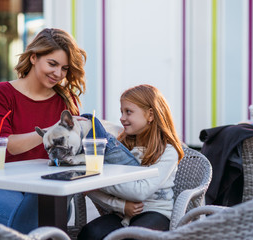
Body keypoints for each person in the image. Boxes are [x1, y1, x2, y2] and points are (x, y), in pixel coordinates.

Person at [0, 28, 87, 234]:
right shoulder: (2, 93)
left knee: (48, 201)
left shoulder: (67, 101)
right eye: (52, 64)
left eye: (65, 68)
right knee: (42, 216)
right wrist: (52, 131)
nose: (58, 74)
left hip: (45, 189)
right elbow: (6, 145)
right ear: (33, 57)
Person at [77, 84, 184, 240]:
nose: (122, 118)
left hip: (156, 212)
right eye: (122, 112)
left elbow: (140, 191)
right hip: (121, 213)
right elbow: (88, 189)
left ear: (150, 115)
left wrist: (98, 179)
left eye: (128, 112)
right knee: (90, 233)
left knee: (132, 237)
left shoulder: (167, 151)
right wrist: (120, 206)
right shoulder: (119, 149)